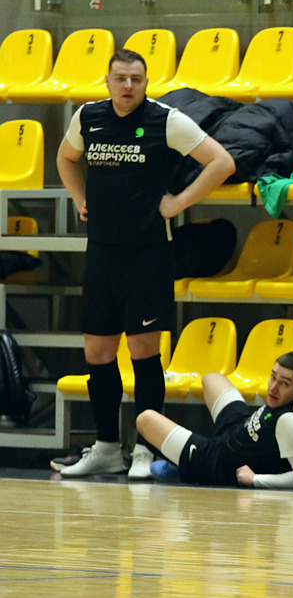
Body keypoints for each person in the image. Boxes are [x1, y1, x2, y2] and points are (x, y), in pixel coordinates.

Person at [54, 49, 235, 480]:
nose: (128, 86)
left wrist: (179, 202)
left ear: (146, 82)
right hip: (101, 252)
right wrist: (80, 198)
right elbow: (65, 158)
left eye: (136, 79)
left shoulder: (165, 120)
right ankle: (106, 447)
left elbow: (222, 162)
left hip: (148, 254)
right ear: (107, 81)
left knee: (143, 350)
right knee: (97, 352)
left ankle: (145, 449)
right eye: (120, 78)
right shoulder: (88, 117)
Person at [135, 352, 293, 488]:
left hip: (218, 461)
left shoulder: (290, 422)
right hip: (240, 425)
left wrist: (256, 479)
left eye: (284, 384)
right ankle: (184, 454)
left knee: (145, 419)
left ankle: (183, 466)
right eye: (273, 377)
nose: (273, 388)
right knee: (211, 378)